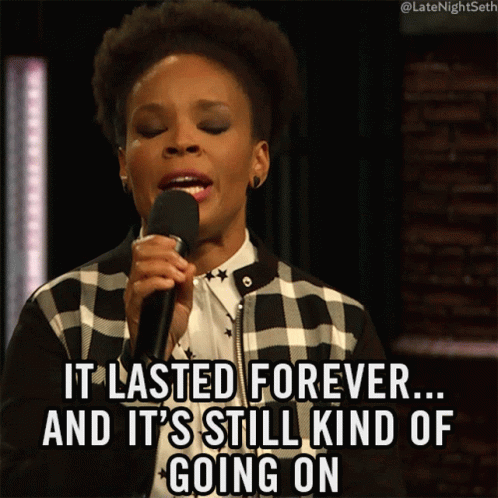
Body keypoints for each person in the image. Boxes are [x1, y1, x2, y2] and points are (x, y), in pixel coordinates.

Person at [1, 1, 406, 496]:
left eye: (212, 125)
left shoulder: (335, 327)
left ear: (259, 160)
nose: (182, 142)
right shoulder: (61, 315)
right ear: (124, 164)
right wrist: (140, 372)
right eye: (152, 129)